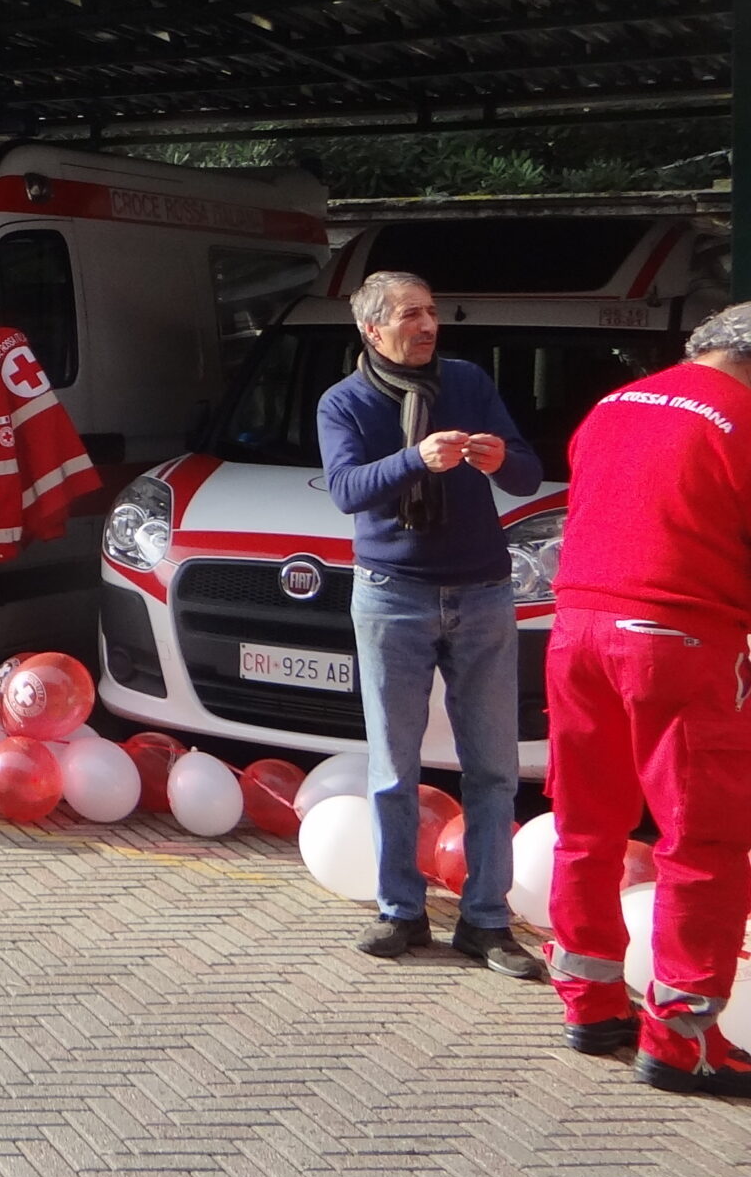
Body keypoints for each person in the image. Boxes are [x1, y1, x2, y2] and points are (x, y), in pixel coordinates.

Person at [543, 302, 751, 1095]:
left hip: (577, 629)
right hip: (679, 639)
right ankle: (682, 1040)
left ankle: (590, 1003)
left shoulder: (614, 404)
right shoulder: (742, 418)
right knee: (703, 841)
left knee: (585, 822)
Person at [318, 270, 543, 976]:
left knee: (492, 768)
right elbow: (347, 489)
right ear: (372, 329)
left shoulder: (470, 381)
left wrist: (504, 458)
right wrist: (415, 459)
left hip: (482, 592)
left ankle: (485, 921)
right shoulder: (344, 401)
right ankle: (401, 912)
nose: (427, 326)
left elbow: (528, 476)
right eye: (411, 315)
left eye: (433, 314)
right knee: (393, 767)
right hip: (392, 594)